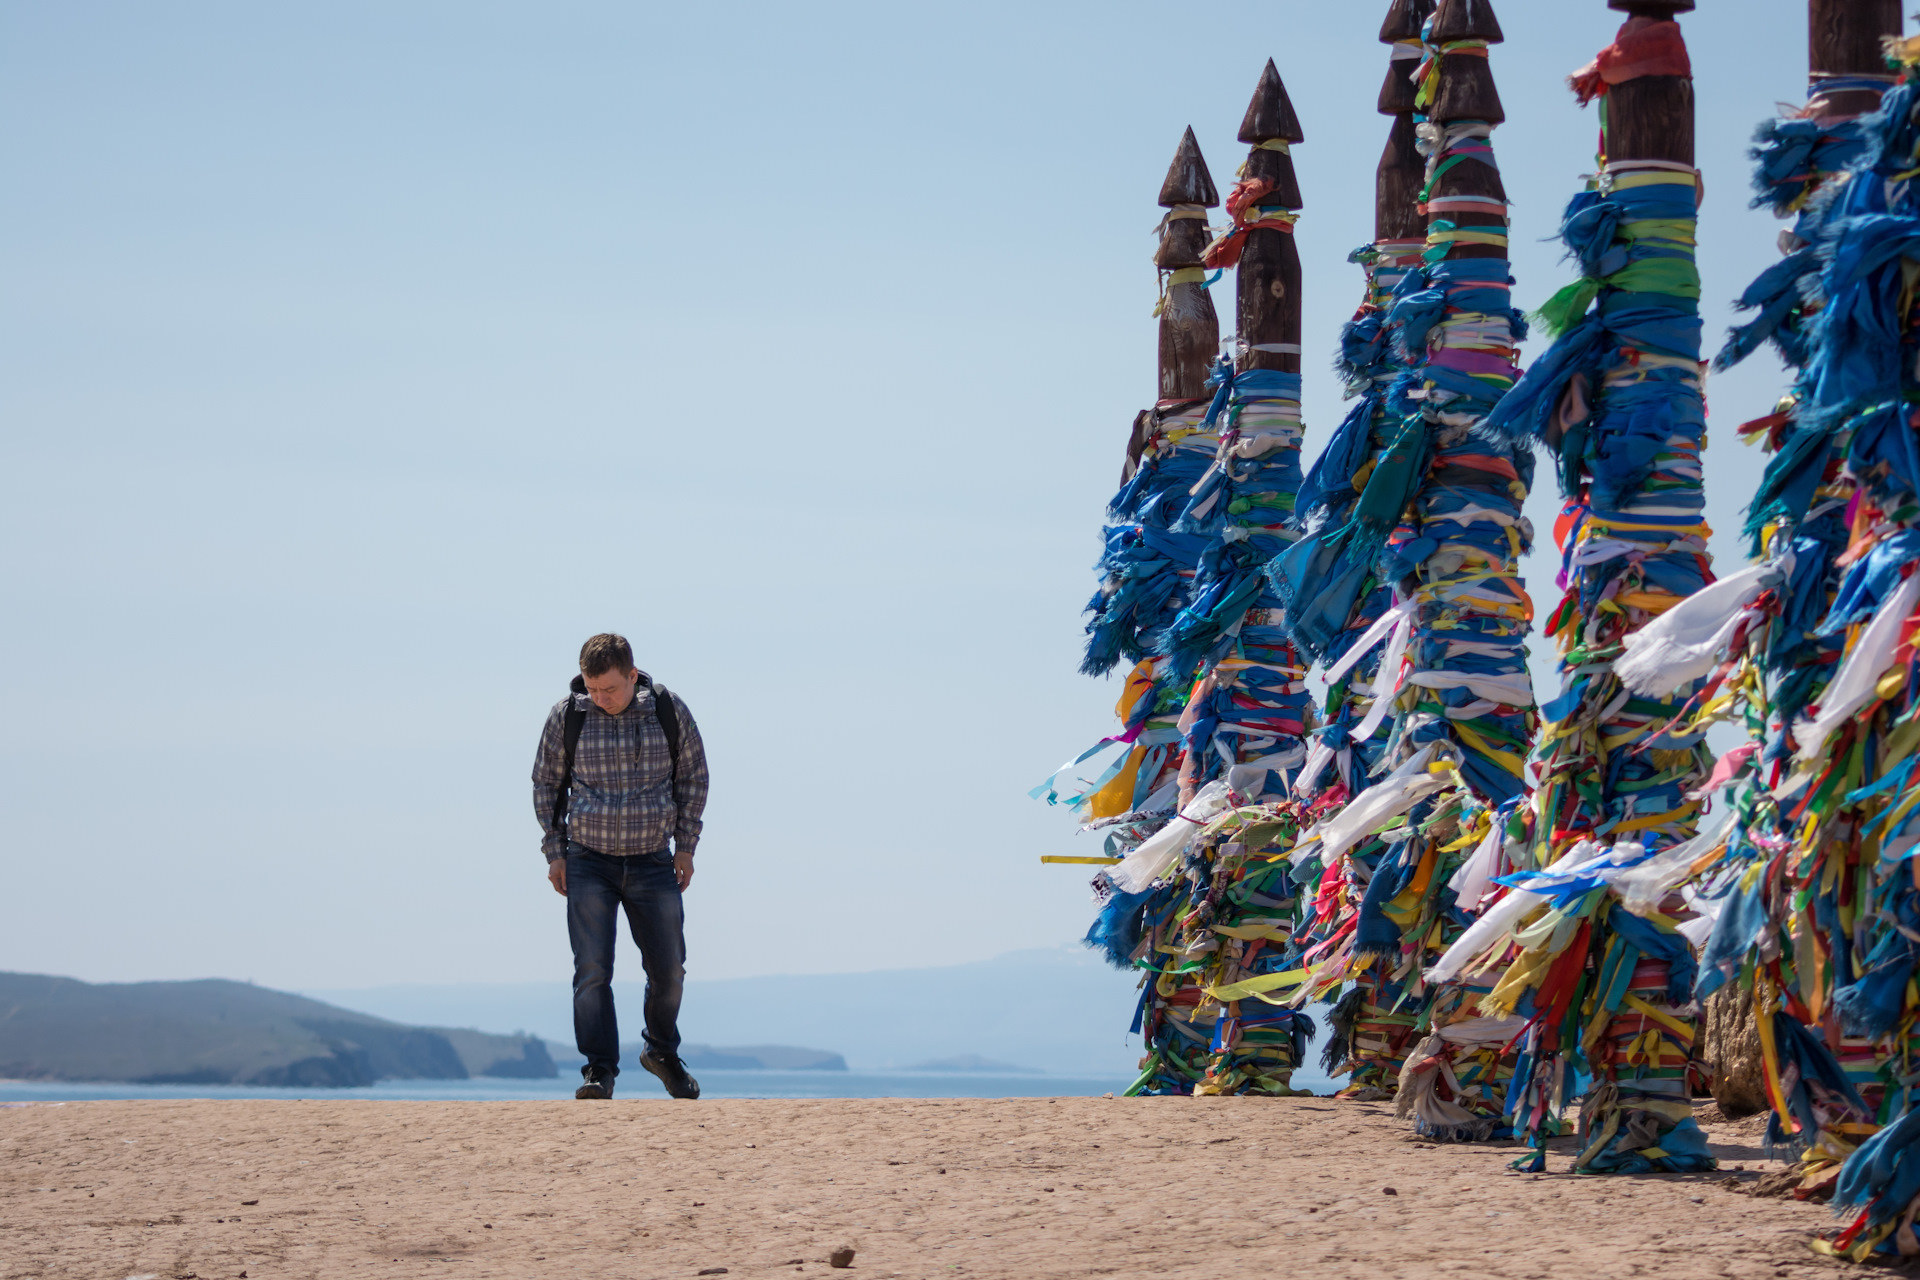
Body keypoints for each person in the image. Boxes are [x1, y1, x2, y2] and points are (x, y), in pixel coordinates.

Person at [532, 633, 709, 1100]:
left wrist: (686, 847)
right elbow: (546, 784)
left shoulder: (668, 712)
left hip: (653, 860)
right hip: (588, 861)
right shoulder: (567, 716)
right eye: (592, 688)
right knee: (592, 969)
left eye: (609, 688)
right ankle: (599, 1071)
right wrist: (555, 851)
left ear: (633, 675)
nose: (599, 698)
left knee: (669, 969)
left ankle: (661, 1053)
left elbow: (693, 778)